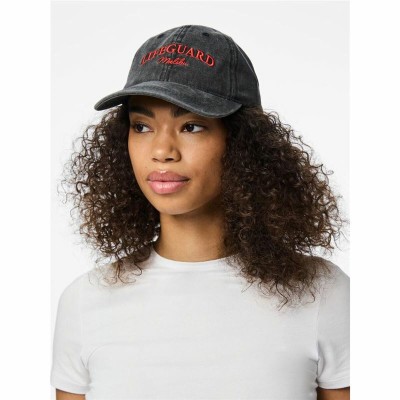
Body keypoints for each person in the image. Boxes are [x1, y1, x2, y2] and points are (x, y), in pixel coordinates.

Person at [51, 25, 350, 400]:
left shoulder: (323, 294)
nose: (162, 150)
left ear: (242, 142)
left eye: (191, 126)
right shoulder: (85, 301)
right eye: (142, 126)